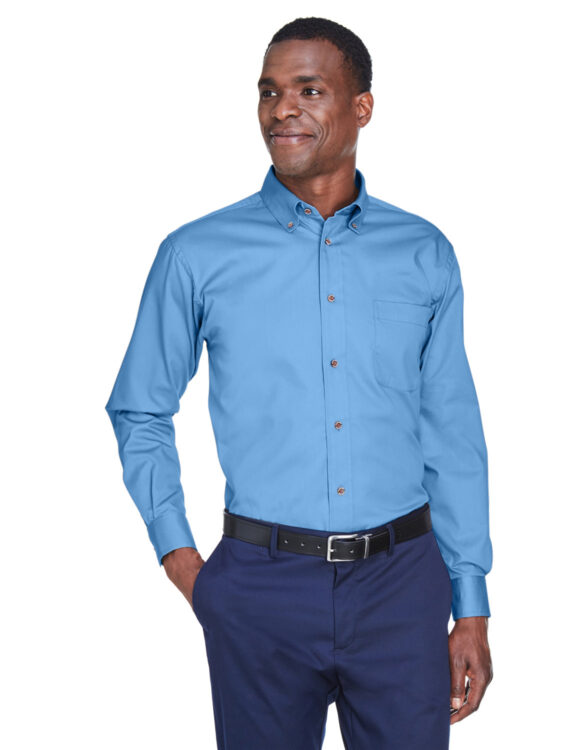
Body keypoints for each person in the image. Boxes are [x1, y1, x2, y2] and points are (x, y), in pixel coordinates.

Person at [105, 16, 493, 750]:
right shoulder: (196, 254)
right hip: (259, 586)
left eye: (309, 90)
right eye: (269, 92)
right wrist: (184, 563)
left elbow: (451, 429)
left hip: (402, 584)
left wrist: (470, 601)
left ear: (362, 107)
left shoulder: (424, 253)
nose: (282, 109)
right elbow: (139, 409)